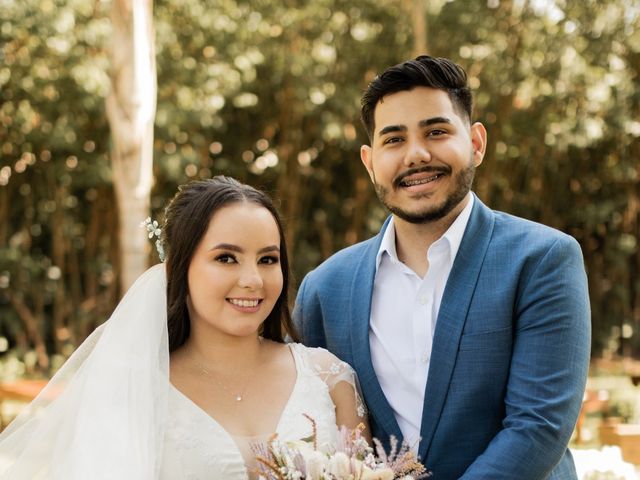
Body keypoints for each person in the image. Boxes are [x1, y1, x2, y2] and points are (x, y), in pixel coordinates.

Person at [294, 55, 591, 479]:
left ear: (476, 143)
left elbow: (538, 428)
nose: (416, 155)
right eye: (393, 140)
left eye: (435, 131)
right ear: (369, 160)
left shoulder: (543, 260)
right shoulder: (324, 289)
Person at [0, 176, 367, 480]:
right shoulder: (136, 390)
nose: (254, 279)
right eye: (226, 258)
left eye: (268, 259)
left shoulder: (328, 378)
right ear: (179, 267)